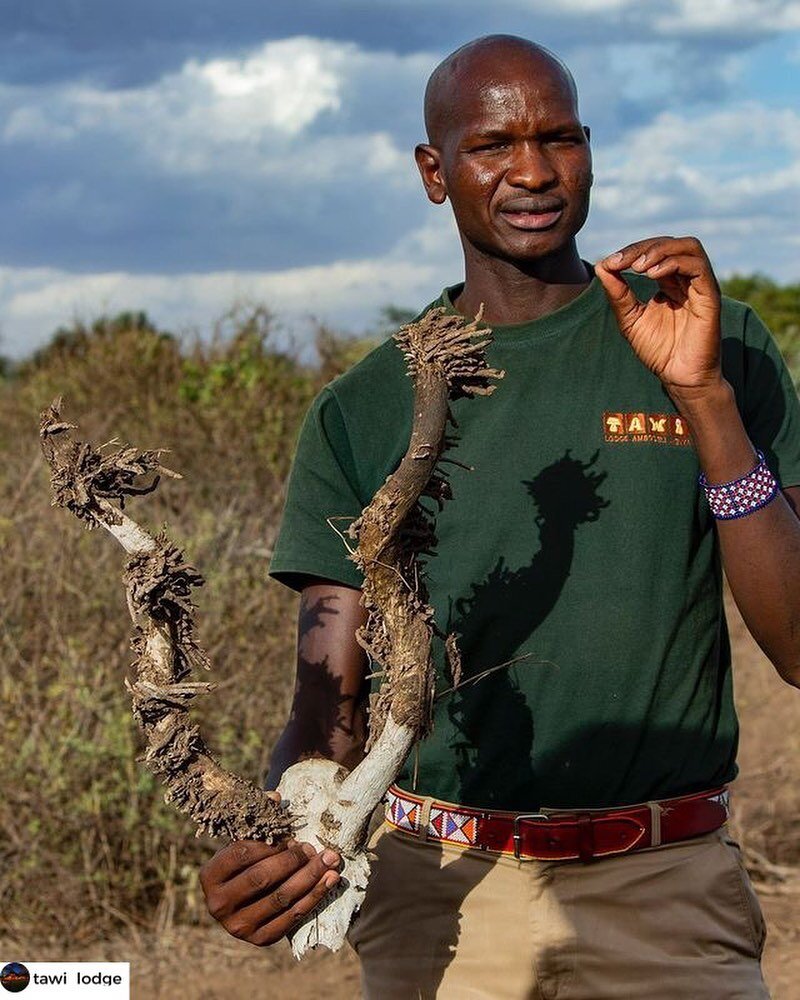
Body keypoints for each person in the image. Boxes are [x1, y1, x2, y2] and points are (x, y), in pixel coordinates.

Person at [199, 34, 800, 998]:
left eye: (559, 138)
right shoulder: (366, 408)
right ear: (435, 173)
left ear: (591, 151)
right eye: (492, 146)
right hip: (440, 898)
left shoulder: (714, 338)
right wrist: (280, 837)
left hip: (669, 891)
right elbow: (328, 701)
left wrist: (706, 402)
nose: (532, 171)